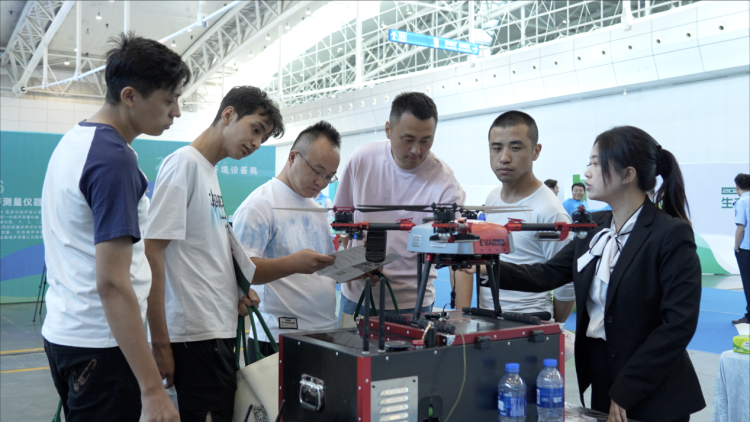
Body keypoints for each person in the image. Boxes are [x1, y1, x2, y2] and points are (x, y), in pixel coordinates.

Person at [497, 126, 705, 422]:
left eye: (596, 163)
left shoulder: (670, 234)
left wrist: (627, 388)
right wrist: (483, 266)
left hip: (652, 387)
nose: (586, 173)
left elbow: (678, 324)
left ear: (628, 174)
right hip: (603, 379)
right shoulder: (593, 227)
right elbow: (547, 274)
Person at [40, 34, 188, 422]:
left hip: (67, 334)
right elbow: (112, 282)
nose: (176, 112)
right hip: (102, 345)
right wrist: (152, 390)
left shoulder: (75, 141)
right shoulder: (113, 160)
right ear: (130, 96)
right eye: (169, 100)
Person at [143, 86, 284, 421]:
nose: (256, 143)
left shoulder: (208, 171)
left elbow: (201, 257)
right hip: (194, 337)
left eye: (263, 138)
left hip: (215, 332)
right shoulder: (184, 165)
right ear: (228, 114)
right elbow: (152, 251)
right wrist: (160, 342)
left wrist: (235, 291)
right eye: (255, 129)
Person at [334, 92, 466, 320]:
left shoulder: (445, 182)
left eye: (426, 140)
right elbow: (344, 226)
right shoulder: (361, 160)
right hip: (357, 297)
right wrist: (353, 267)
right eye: (408, 139)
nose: (416, 150)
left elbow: (453, 252)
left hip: (414, 302)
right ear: (388, 130)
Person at [454, 111, 575, 323]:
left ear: (536, 151)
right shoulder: (492, 199)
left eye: (515, 148)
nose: (504, 157)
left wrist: (550, 325)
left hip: (531, 320)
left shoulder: (550, 211)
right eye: (496, 148)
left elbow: (566, 283)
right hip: (487, 318)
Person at [232, 121, 340, 357]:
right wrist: (294, 264)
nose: (322, 182)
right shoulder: (260, 205)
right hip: (278, 337)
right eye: (317, 171)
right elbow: (242, 271)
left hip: (325, 331)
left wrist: (355, 271)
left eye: (329, 176)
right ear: (293, 157)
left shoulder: (318, 209)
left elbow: (322, 272)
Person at [732, 173, 750, 325]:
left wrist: (736, 246)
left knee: (748, 282)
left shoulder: (742, 202)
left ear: (737, 187)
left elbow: (741, 228)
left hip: (746, 248)